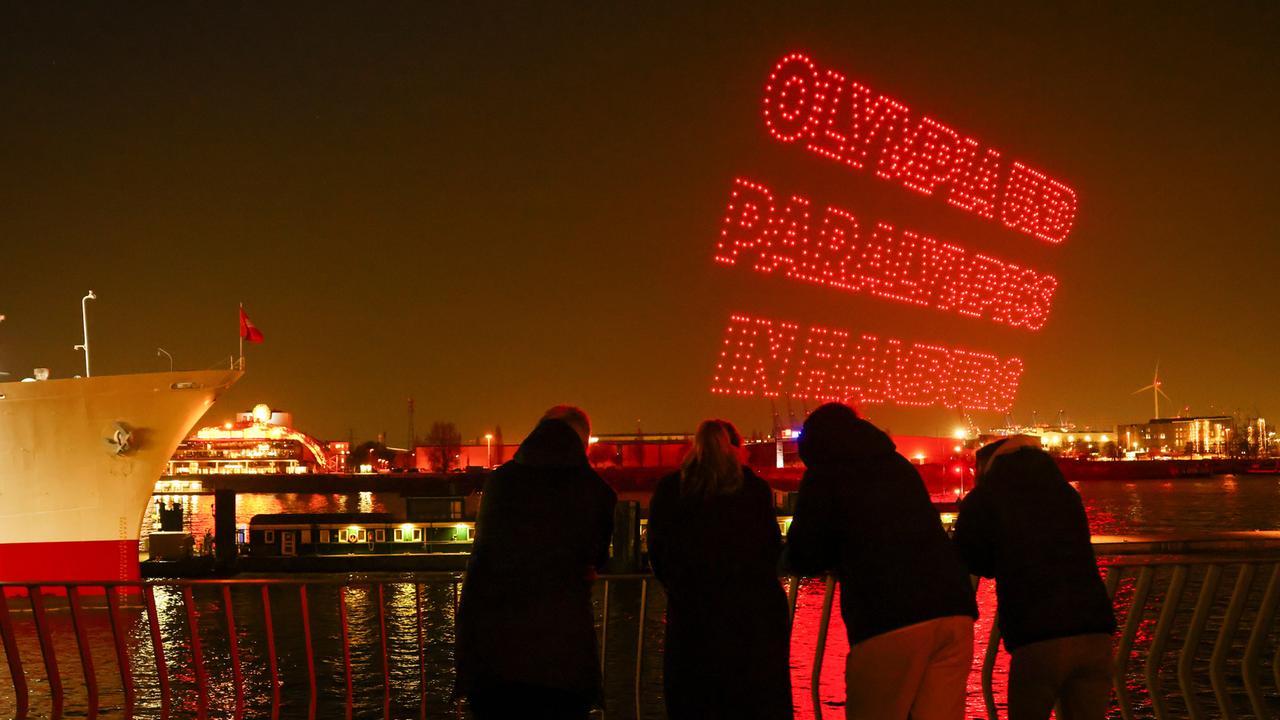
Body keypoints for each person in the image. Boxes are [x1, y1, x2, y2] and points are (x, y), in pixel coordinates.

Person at [784, 402, 977, 720]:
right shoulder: (899, 466)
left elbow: (806, 553)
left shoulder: (826, 475)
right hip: (954, 611)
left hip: (889, 617)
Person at [455, 406, 617, 720]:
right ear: (581, 440)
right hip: (561, 656)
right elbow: (597, 557)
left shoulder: (499, 482)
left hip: (491, 653)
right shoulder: (596, 490)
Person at [953, 436, 1116, 720]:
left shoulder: (984, 497)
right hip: (1095, 631)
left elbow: (972, 559)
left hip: (1038, 634)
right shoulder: (1066, 493)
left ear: (986, 466)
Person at [647, 420, 793, 719]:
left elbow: (658, 552)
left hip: (692, 620)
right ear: (737, 450)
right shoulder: (753, 489)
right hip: (752, 622)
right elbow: (768, 549)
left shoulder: (670, 489)